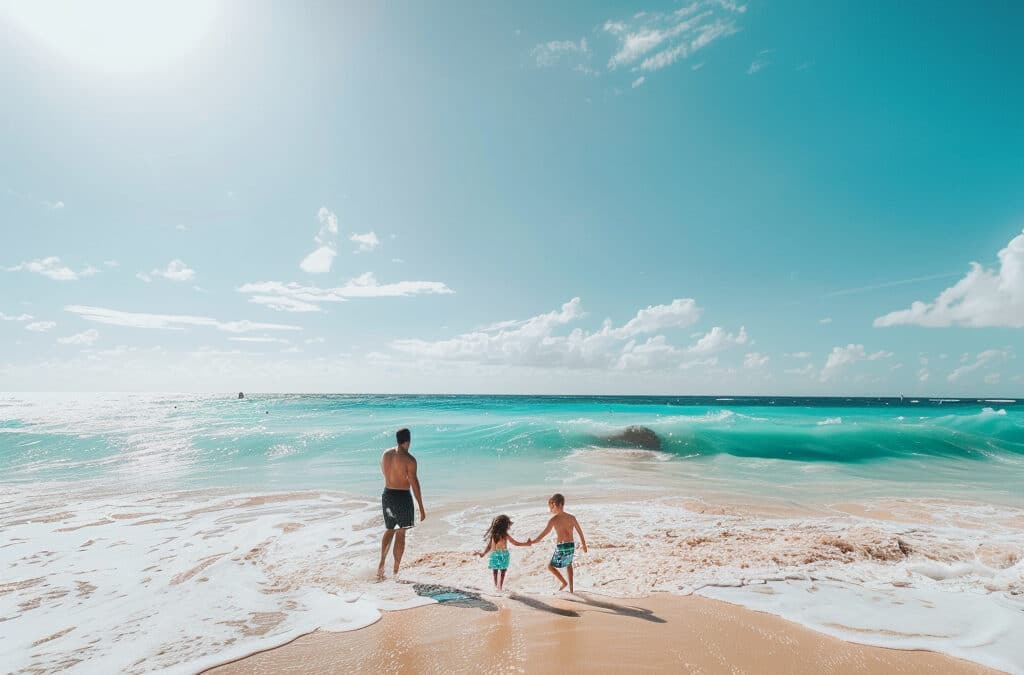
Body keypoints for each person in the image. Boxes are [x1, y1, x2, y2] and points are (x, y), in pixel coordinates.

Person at [377, 428, 426, 580]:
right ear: (408, 441)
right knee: (401, 532)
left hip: (387, 494)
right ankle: (396, 571)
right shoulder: (409, 460)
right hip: (402, 496)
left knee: (390, 529)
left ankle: (381, 565)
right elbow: (415, 485)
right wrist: (421, 508)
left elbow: (385, 473)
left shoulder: (386, 454)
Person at [528, 493, 587, 593]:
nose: (551, 509)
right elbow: (580, 532)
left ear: (558, 504)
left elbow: (543, 534)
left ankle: (564, 583)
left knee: (550, 566)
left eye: (552, 506)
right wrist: (584, 544)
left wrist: (533, 541)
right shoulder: (571, 517)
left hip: (562, 545)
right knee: (569, 565)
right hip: (570, 545)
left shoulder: (553, 520)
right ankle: (571, 589)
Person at [475, 514, 530, 592]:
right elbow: (490, 546)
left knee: (498, 571)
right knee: (499, 571)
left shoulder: (504, 535)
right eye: (508, 524)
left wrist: (526, 544)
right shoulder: (496, 535)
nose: (509, 526)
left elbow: (514, 543)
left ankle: (499, 588)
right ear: (504, 525)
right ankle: (497, 588)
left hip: (498, 554)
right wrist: (483, 553)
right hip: (500, 554)